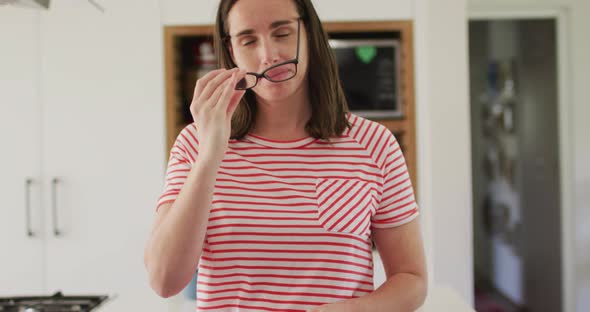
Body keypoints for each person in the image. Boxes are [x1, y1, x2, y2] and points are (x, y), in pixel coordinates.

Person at [144, 0, 427, 311]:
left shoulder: (375, 145)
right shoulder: (194, 144)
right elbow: (164, 280)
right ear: (231, 50)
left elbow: (411, 278)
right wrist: (210, 153)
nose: (269, 55)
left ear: (309, 34)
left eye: (282, 33)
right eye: (249, 40)